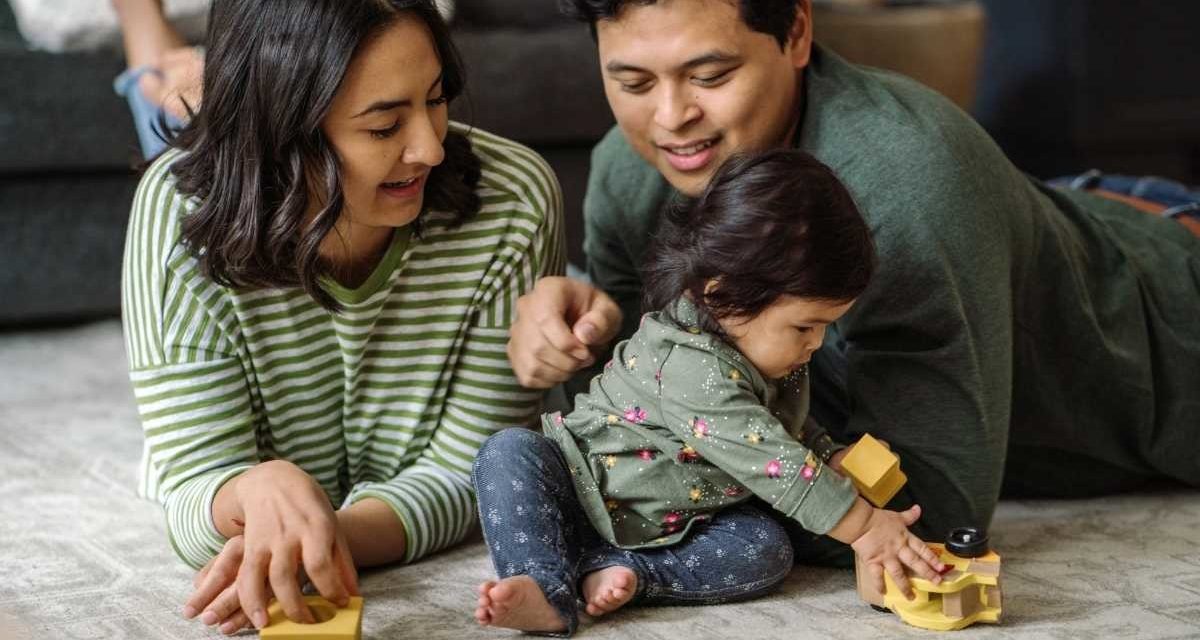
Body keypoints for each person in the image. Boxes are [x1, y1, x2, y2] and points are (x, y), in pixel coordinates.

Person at [506, 0, 1200, 559]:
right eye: (632, 82)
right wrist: (581, 328)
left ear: (798, 31)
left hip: (1168, 317)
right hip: (1067, 210)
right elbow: (643, 422)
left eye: (710, 76)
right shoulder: (632, 173)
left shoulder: (907, 195)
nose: (669, 119)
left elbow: (930, 506)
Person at [118, 0, 564, 635]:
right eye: (384, 127)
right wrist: (249, 492)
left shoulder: (515, 201)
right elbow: (191, 489)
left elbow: (476, 471)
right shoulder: (177, 219)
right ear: (280, 129)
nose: (431, 148)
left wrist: (318, 539)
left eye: (436, 100)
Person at [472, 149, 947, 635]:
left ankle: (631, 573)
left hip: (677, 524)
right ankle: (543, 583)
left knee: (765, 549)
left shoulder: (767, 349)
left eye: (827, 326)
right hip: (578, 490)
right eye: (806, 325)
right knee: (509, 451)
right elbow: (774, 461)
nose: (817, 342)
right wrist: (865, 526)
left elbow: (786, 429)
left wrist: (829, 455)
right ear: (722, 296)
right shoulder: (689, 366)